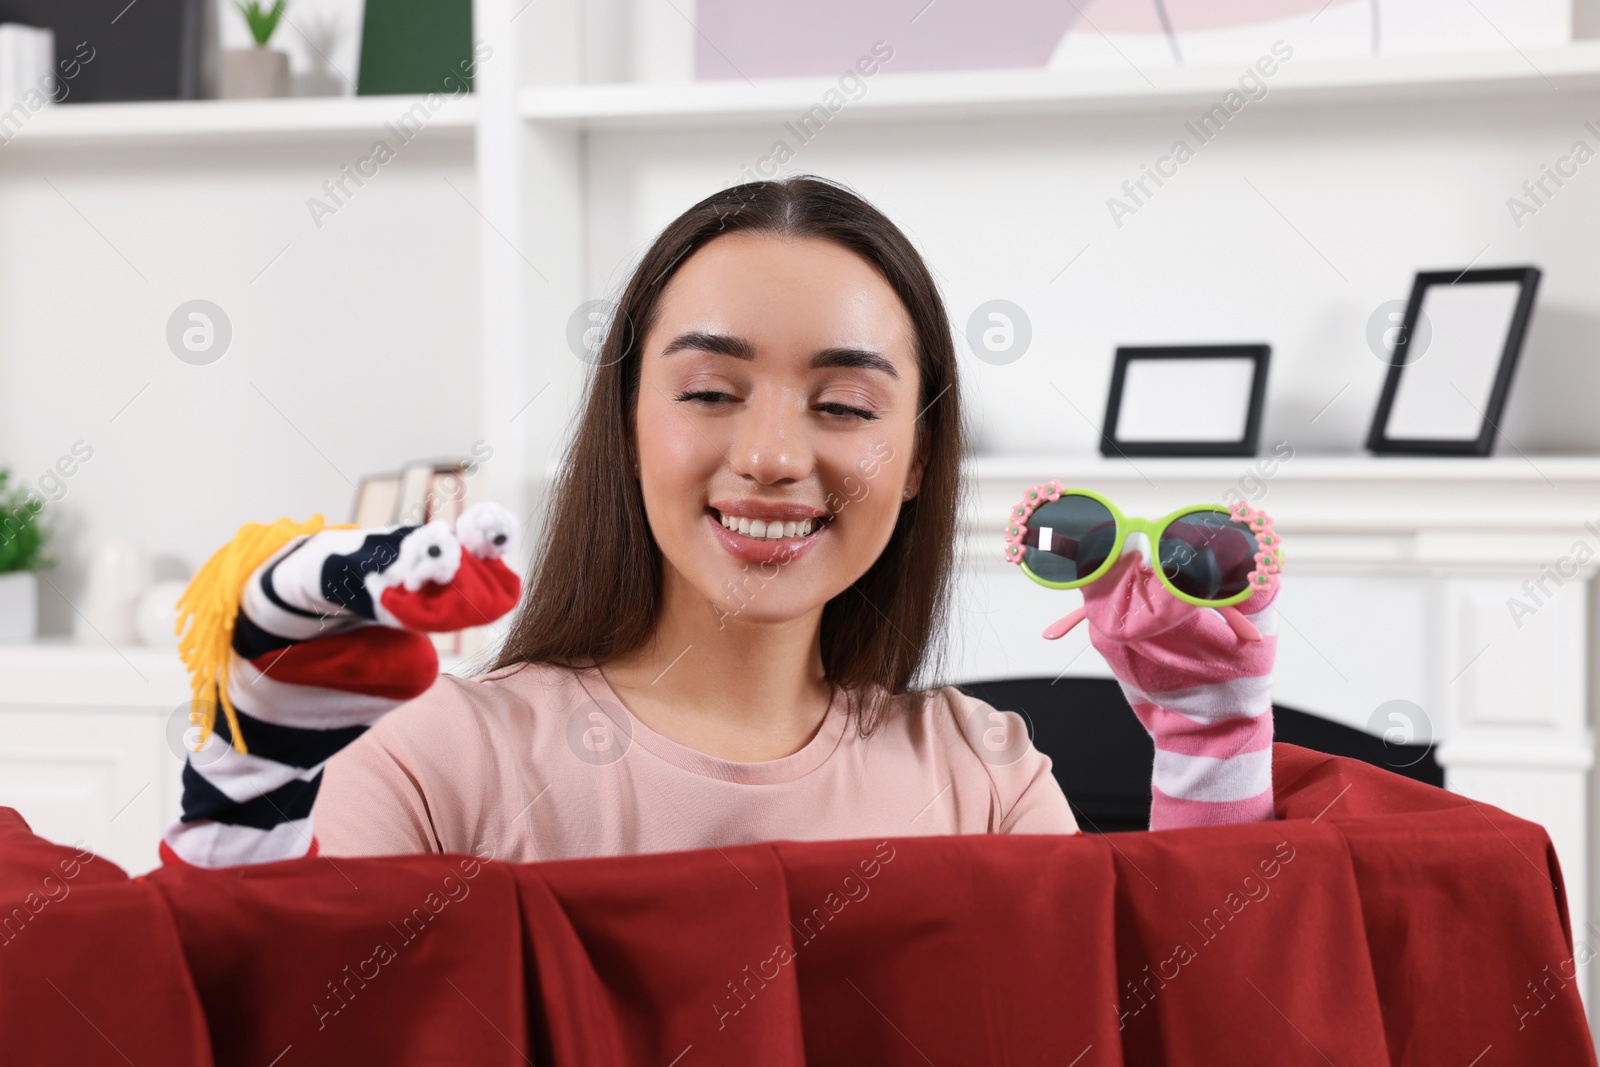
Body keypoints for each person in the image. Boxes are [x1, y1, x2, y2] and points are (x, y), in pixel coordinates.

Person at [312, 175, 1278, 862]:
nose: (772, 457)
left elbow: (1159, 1034)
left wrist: (1209, 753)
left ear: (918, 459)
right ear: (626, 423)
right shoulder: (425, 765)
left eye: (846, 405)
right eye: (708, 390)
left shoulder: (983, 777)